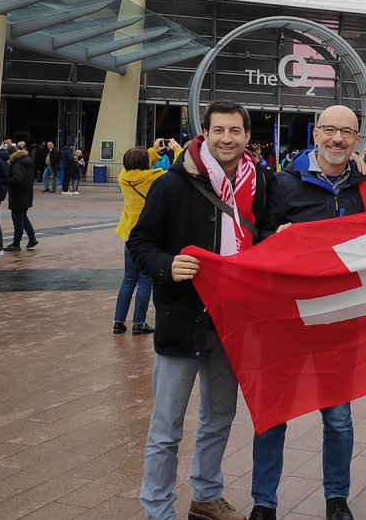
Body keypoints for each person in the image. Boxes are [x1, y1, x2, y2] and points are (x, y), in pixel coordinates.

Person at [127, 100, 272, 520]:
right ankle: (157, 509)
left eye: (235, 131)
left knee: (219, 416)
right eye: (219, 130)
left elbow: (267, 235)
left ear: (247, 137)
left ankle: (206, 495)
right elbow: (139, 243)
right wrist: (166, 266)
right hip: (182, 317)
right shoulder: (172, 184)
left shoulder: (259, 183)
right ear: (205, 133)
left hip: (232, 321)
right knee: (166, 427)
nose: (227, 138)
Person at [250, 105, 366, 520]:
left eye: (347, 133)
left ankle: (336, 499)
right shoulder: (282, 184)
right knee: (273, 414)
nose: (338, 139)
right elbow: (257, 239)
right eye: (330, 130)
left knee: (338, 418)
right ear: (315, 134)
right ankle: (264, 503)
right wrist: (275, 238)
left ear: (357, 140)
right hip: (285, 319)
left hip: (339, 320)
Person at [115, 143, 178, 335]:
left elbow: (138, 164)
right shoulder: (155, 177)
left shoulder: (123, 178)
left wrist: (152, 151)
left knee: (128, 280)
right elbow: (178, 171)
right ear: (147, 163)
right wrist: (177, 150)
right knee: (145, 281)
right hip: (148, 234)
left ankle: (118, 322)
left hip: (128, 234)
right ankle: (139, 323)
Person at [4, 147, 38, 252]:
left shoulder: (16, 165)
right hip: (27, 194)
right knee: (23, 217)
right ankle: (32, 237)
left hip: (18, 195)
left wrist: (7, 180)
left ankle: (16, 243)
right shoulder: (27, 163)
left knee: (17, 219)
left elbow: (18, 179)